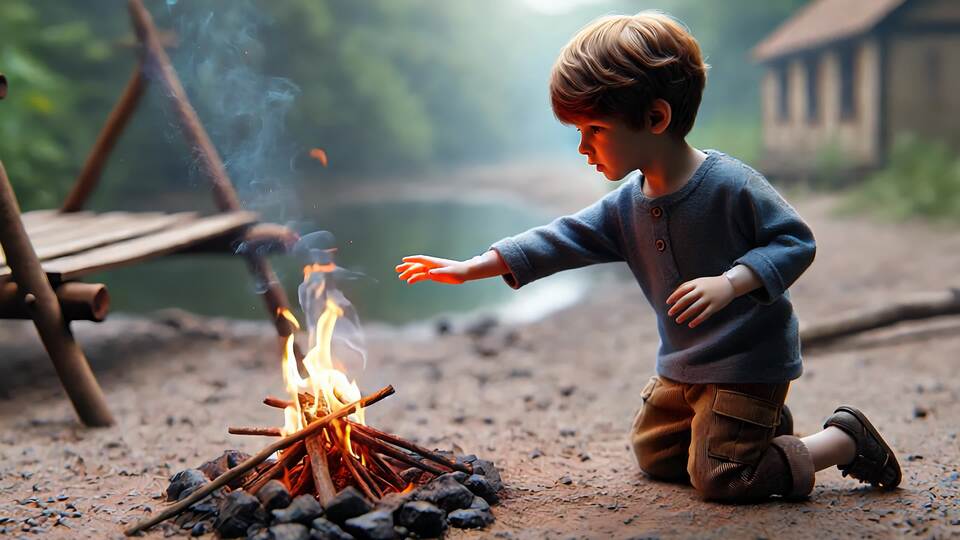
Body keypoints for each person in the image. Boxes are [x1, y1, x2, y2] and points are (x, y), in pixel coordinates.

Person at [394, 11, 900, 501]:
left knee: (721, 480)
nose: (583, 148)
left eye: (593, 130)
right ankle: (752, 432)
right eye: (578, 133)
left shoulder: (730, 186)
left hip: (747, 361)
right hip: (682, 367)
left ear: (655, 118)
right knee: (656, 455)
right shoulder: (624, 206)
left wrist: (733, 282)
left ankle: (842, 440)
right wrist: (471, 267)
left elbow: (795, 241)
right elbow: (559, 238)